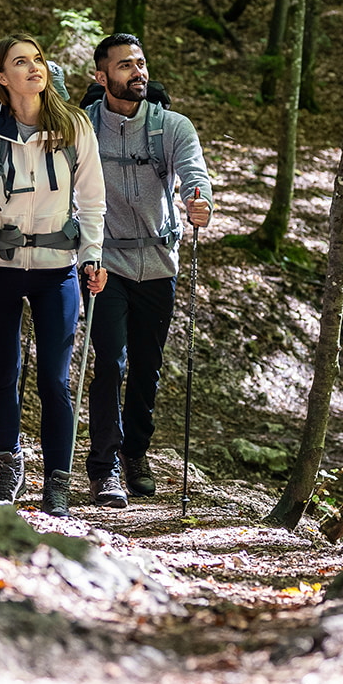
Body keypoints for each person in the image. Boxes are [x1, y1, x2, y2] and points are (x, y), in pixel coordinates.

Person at [0, 34, 106, 517]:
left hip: (57, 271)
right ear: (1, 78)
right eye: (20, 62)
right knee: (3, 373)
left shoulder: (75, 128)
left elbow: (92, 200)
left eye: (38, 59)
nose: (34, 68)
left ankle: (57, 483)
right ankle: (9, 467)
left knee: (54, 380)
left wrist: (93, 257)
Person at [80, 33, 212, 507]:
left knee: (147, 368)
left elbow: (195, 174)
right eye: (124, 66)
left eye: (140, 63)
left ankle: (136, 453)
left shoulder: (171, 126)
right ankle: (105, 467)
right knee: (110, 364)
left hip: (158, 263)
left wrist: (201, 202)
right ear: (102, 77)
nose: (138, 72)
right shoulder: (83, 126)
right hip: (105, 262)